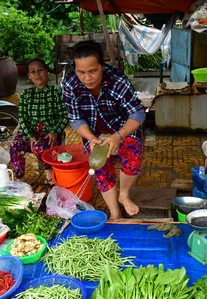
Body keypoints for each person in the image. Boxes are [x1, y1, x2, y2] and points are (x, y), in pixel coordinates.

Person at [62, 41, 146, 220]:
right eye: (81, 72)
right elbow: (76, 118)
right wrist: (91, 139)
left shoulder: (117, 81)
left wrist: (118, 136)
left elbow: (138, 114)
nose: (87, 78)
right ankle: (115, 212)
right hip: (93, 133)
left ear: (102, 65)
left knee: (132, 153)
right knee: (99, 166)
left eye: (93, 71)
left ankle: (124, 195)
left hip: (122, 129)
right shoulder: (70, 85)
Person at [10, 58, 68, 184]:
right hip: (30, 133)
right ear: (29, 76)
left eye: (40, 70)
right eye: (33, 72)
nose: (37, 74)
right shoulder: (26, 95)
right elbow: (23, 118)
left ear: (46, 71)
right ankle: (20, 181)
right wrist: (30, 135)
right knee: (15, 145)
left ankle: (49, 177)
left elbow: (64, 115)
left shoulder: (56, 92)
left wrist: (55, 131)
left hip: (50, 133)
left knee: (40, 147)